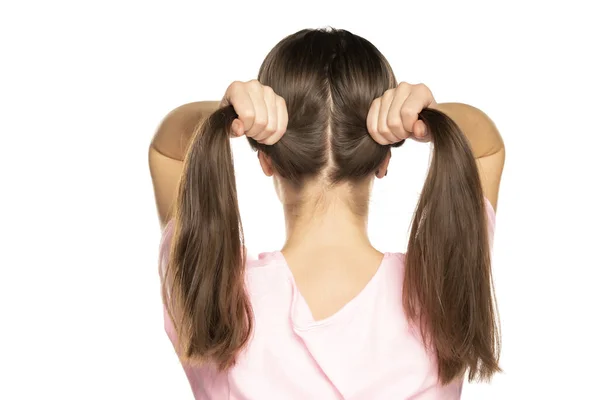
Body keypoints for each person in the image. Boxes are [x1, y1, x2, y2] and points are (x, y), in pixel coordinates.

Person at [148, 27, 505, 399]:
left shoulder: (210, 296)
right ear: (384, 160)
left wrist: (226, 115)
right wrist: (428, 118)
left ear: (266, 160)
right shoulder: (443, 290)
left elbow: (168, 152)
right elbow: (486, 150)